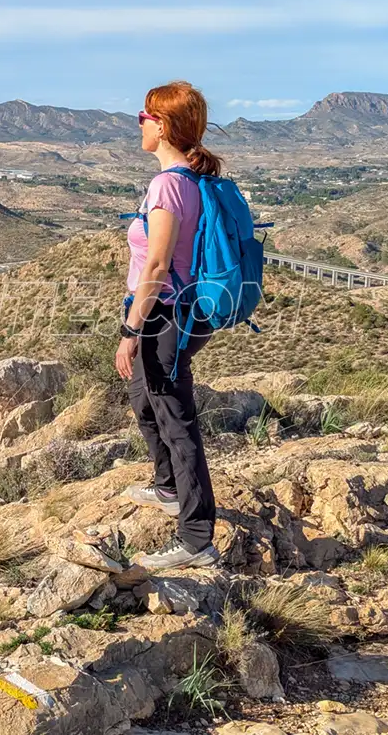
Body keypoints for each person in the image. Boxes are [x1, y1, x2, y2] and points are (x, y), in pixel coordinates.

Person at [114, 81, 221, 570]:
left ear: (163, 126)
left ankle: (197, 540)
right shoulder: (190, 180)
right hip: (177, 310)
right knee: (144, 398)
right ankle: (168, 488)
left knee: (177, 422)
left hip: (166, 314)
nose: (139, 123)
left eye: (145, 116)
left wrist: (130, 331)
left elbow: (157, 266)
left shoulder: (168, 185)